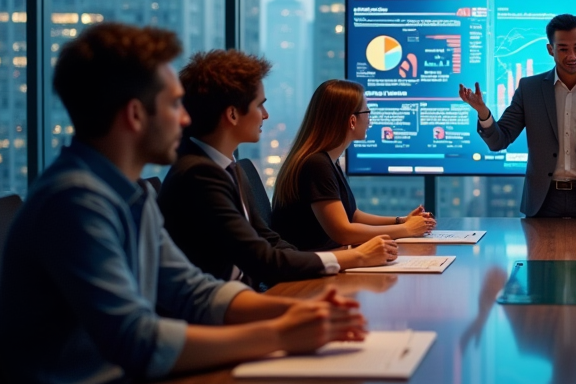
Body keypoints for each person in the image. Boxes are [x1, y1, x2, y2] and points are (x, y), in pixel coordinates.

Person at [0, 23, 367, 384]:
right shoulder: (75, 201)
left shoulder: (129, 194)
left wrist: (289, 315)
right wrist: (278, 334)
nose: (185, 119)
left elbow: (190, 290)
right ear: (135, 115)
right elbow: (136, 340)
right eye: (174, 105)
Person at [158, 50, 397, 289]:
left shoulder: (228, 167)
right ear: (232, 114)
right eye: (260, 105)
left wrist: (312, 263)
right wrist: (357, 256)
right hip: (222, 310)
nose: (265, 114)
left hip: (242, 296)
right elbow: (262, 259)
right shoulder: (199, 175)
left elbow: (269, 239)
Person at [458, 13, 576, 218]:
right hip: (542, 201)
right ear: (550, 50)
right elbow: (499, 140)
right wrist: (482, 111)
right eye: (563, 49)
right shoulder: (529, 89)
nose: (572, 56)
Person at [271, 79, 435, 251]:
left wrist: (401, 221)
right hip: (309, 272)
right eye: (367, 113)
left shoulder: (328, 160)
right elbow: (343, 233)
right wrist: (406, 229)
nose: (370, 121)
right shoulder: (316, 165)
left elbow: (353, 216)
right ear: (352, 121)